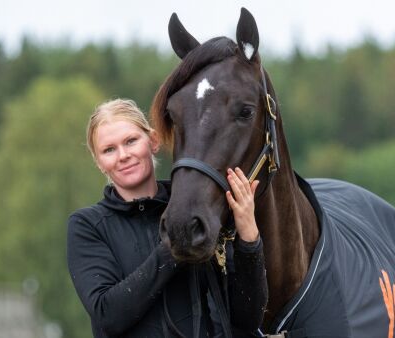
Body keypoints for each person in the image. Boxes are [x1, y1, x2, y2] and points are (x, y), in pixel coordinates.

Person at [67, 98, 267, 337]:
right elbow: (107, 315)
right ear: (99, 162)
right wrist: (175, 244)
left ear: (153, 141)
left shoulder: (199, 208)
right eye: (109, 150)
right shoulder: (88, 225)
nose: (123, 155)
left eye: (131, 141)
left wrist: (248, 236)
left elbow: (248, 316)